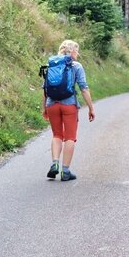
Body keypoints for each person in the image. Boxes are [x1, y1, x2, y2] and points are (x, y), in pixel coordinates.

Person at [43, 40, 96, 181]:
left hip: (52, 104)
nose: (78, 54)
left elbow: (45, 89)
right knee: (70, 137)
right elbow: (83, 88)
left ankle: (55, 163)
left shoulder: (51, 64)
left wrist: (45, 108)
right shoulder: (76, 66)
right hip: (69, 105)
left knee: (57, 135)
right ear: (72, 51)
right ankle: (65, 171)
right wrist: (91, 107)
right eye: (77, 51)